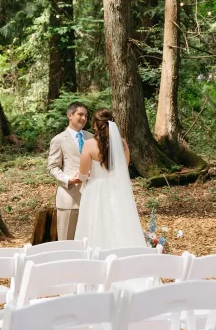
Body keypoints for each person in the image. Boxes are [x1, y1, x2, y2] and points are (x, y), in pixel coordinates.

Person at [74, 108, 146, 250]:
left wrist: (80, 176)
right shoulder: (122, 143)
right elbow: (124, 169)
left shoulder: (89, 144)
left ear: (95, 125)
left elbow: (83, 174)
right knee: (118, 222)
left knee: (95, 223)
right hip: (116, 188)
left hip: (95, 190)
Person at [47, 102, 93, 240]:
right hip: (69, 197)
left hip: (91, 197)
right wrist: (68, 179)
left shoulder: (91, 138)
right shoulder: (58, 140)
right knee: (67, 241)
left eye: (86, 115)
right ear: (70, 115)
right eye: (80, 114)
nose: (84, 118)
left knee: (88, 243)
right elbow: (52, 167)